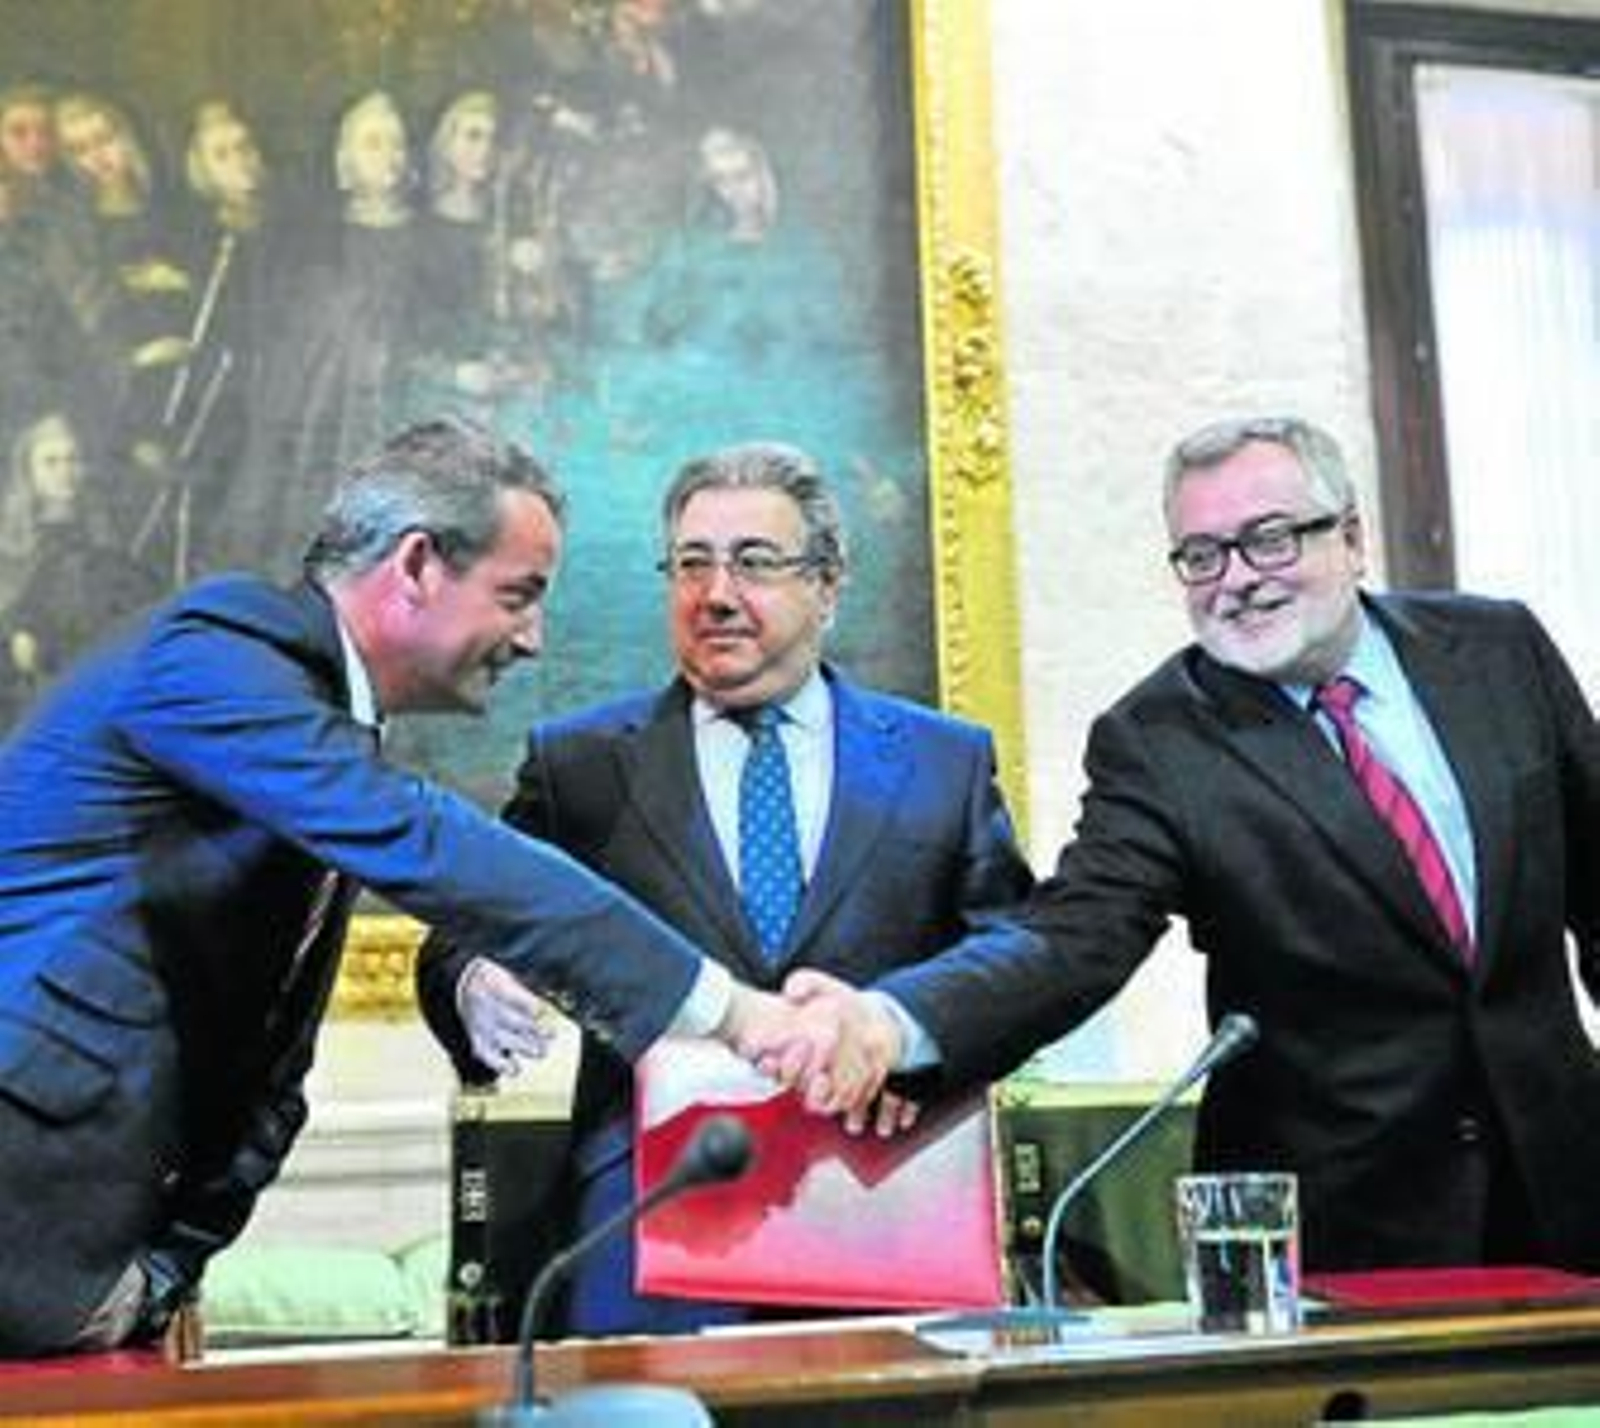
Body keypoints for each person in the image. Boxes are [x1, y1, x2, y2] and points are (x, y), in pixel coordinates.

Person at [0, 416, 882, 1358]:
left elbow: (271, 1062)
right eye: (520, 595)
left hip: (92, 1278)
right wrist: (733, 1014)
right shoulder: (217, 652)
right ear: (417, 565)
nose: (534, 639)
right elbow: (444, 852)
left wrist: (163, 1273)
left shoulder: (326, 729)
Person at [809, 413, 1600, 1280]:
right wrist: (894, 1022)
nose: (1236, 581)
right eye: (1202, 554)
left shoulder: (1497, 650)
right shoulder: (1159, 739)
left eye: (1267, 541)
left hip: (1566, 1187)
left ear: (1351, 536)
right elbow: (1074, 937)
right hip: (1340, 1234)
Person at [416, 439, 1032, 1336]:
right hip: (653, 1214)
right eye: (691, 565)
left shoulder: (944, 761)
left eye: (754, 563)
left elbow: (1015, 963)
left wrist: (906, 1040)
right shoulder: (582, 765)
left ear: (827, 584)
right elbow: (466, 927)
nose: (716, 594)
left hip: (885, 1198)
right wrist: (479, 979)